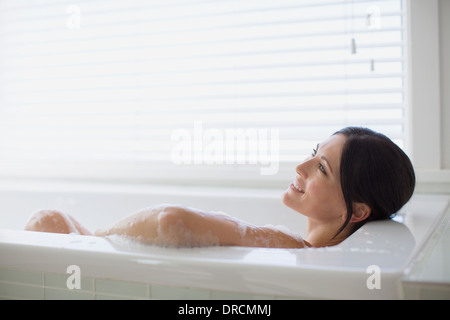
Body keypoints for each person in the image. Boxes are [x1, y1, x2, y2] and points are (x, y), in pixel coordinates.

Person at [24, 127, 415, 249]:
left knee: (48, 221)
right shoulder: (305, 249)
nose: (300, 167)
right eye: (313, 154)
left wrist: (96, 239)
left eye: (322, 169)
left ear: (359, 210)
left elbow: (169, 221)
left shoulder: (293, 248)